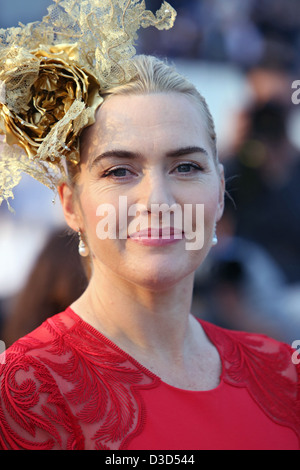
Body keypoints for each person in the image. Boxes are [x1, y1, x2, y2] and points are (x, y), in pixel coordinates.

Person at [0, 0, 299, 451]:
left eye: (185, 168)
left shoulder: (283, 373)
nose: (158, 200)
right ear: (71, 204)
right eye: (119, 171)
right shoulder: (24, 393)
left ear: (219, 191)